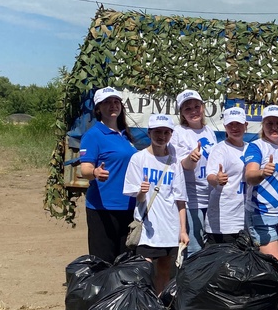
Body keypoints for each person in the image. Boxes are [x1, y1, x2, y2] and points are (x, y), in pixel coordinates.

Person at [123, 114, 188, 294]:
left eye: (166, 132)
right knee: (144, 270)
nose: (162, 136)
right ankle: (142, 304)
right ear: (149, 133)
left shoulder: (174, 163)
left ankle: (160, 306)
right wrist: (142, 191)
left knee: (165, 270)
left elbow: (180, 199)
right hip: (148, 228)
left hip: (169, 226)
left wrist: (182, 230)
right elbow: (137, 197)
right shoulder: (139, 159)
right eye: (158, 132)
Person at [78, 87, 137, 263]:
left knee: (125, 261)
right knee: (104, 261)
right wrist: (95, 172)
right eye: (107, 102)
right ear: (98, 108)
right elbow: (85, 169)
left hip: (129, 207)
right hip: (103, 209)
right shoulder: (93, 135)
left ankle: (120, 292)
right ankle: (104, 291)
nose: (113, 106)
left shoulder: (125, 135)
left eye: (116, 102)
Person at [244, 105, 278, 270]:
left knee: (273, 270)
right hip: (262, 215)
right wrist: (261, 173)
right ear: (263, 125)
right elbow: (249, 176)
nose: (274, 127)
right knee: (275, 268)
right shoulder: (256, 147)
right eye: (269, 123)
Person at [170, 89, 217, 256]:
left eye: (196, 106)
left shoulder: (209, 132)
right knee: (194, 248)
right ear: (182, 113)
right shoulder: (178, 132)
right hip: (192, 199)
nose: (193, 111)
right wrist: (191, 158)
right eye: (187, 109)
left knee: (209, 247)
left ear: (203, 108)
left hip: (210, 198)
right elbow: (183, 165)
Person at [204, 107, 248, 244]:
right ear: (224, 127)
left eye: (238, 124)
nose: (234, 128)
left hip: (245, 219)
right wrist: (217, 179)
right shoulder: (219, 149)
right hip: (223, 222)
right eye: (230, 124)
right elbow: (210, 175)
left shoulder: (250, 148)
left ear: (246, 125)